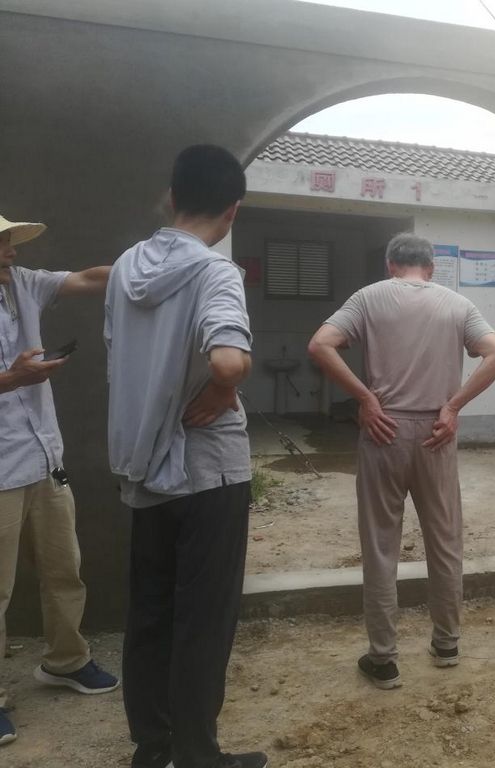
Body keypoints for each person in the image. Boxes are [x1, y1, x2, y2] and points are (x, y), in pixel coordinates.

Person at [105, 146, 265, 768]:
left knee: (150, 611)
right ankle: (198, 755)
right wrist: (225, 387)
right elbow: (228, 360)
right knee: (204, 617)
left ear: (173, 197)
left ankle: (153, 746)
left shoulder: (126, 267)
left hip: (143, 465)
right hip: (208, 471)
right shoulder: (215, 272)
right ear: (232, 210)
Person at [308, 232, 495, 690]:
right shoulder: (457, 304)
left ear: (390, 264)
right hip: (437, 431)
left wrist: (365, 398)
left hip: (384, 429)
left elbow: (320, 345)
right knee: (445, 540)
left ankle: (383, 659)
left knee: (381, 545)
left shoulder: (368, 297)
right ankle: (447, 644)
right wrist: (453, 406)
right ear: (431, 268)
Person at [0, 213, 117, 747]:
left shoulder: (23, 283)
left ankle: (65, 660)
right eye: (2, 243)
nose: (12, 251)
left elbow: (90, 278)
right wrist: (14, 378)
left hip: (44, 456)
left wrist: (156, 265)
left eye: (10, 241)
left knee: (63, 568)